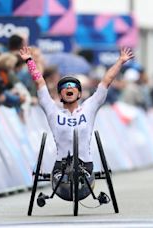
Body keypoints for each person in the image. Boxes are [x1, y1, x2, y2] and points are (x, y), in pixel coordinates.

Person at [19, 46, 134, 200]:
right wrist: (29, 61)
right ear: (60, 94)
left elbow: (106, 81)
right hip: (61, 166)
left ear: (79, 93)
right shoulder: (53, 110)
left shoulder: (89, 107)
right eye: (65, 87)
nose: (69, 88)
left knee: (81, 171)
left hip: (85, 165)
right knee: (64, 173)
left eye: (73, 86)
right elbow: (40, 83)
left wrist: (120, 61)